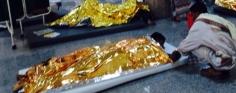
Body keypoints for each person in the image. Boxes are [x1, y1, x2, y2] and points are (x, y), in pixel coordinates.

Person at [13, 32, 174, 93]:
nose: (160, 46)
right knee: (79, 67)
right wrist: (169, 56)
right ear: (157, 40)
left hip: (106, 52)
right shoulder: (149, 45)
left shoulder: (140, 40)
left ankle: (35, 74)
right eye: (160, 43)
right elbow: (162, 58)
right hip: (110, 56)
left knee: (75, 63)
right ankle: (35, 80)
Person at [169, 2, 236, 79]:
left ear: (196, 13)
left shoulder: (199, 24)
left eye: (192, 15)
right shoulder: (213, 17)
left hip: (225, 61)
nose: (192, 18)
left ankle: (218, 70)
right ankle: (221, 67)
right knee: (201, 42)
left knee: (193, 46)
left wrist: (177, 52)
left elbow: (185, 46)